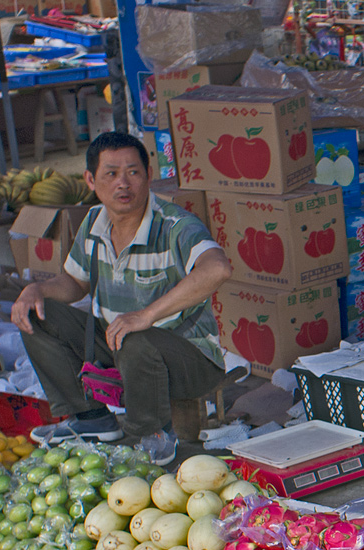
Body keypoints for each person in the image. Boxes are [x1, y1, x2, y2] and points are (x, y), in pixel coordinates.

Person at [12, 131, 233, 466]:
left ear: (148, 176)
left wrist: (146, 315)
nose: (123, 184)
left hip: (189, 361)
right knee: (37, 315)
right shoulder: (93, 223)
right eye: (111, 174)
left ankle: (153, 432)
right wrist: (36, 291)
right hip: (120, 351)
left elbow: (218, 269)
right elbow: (74, 282)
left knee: (135, 336)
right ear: (90, 179)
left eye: (133, 172)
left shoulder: (174, 225)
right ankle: (90, 418)